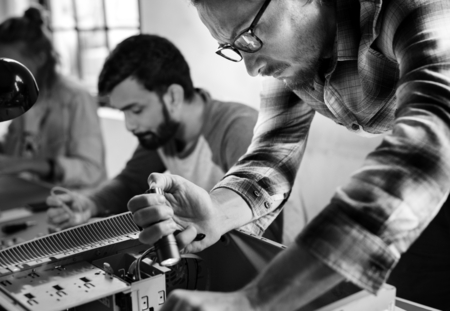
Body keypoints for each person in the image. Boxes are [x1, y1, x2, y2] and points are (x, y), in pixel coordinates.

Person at [127, 0, 450, 310]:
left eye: (249, 36)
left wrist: (256, 301)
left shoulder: (415, 7)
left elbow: (424, 155)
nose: (252, 68)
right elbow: (273, 152)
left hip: (432, 163)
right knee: (407, 289)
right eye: (234, 48)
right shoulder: (293, 54)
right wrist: (216, 211)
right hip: (429, 179)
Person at [47, 34, 294, 243]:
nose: (129, 125)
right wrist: (89, 203)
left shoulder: (238, 130)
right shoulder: (162, 132)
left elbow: (264, 232)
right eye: (123, 112)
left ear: (173, 96)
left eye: (136, 110)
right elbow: (129, 183)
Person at [0, 6, 106, 189]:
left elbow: (90, 169)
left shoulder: (75, 97)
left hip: (75, 204)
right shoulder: (19, 94)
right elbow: (14, 147)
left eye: (10, 64)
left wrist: (28, 165)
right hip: (30, 196)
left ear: (40, 58)